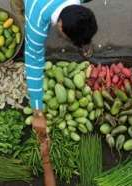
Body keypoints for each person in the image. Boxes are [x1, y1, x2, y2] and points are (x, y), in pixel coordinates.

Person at [9, 0, 98, 133]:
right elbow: (33, 63)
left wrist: (83, 37)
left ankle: (82, 40)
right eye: (72, 39)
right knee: (23, 16)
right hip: (34, 7)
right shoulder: (36, 23)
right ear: (60, 26)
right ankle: (26, 27)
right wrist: (37, 112)